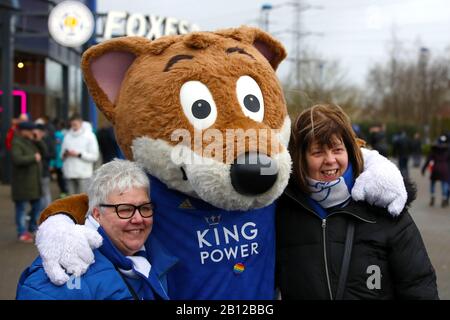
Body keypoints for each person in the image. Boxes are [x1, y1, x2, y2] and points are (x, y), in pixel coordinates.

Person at [276, 104, 438, 300]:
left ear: (350, 152)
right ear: (300, 158)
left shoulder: (384, 206)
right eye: (317, 152)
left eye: (337, 149)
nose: (330, 160)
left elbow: (418, 285)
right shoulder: (283, 209)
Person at [16, 159, 176, 300]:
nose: (138, 219)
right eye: (125, 209)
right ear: (97, 214)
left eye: (145, 208)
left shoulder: (153, 252)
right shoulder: (64, 264)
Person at [10, 121, 45, 243]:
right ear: (23, 131)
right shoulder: (16, 142)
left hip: (33, 183)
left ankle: (31, 227)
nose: (32, 133)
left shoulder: (30, 141)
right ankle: (21, 232)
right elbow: (17, 159)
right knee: (21, 209)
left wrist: (37, 139)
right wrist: (33, 158)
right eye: (30, 131)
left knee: (38, 205)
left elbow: (44, 152)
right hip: (22, 183)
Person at [61, 114, 99, 195]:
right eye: (72, 124)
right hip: (69, 173)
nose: (73, 126)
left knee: (82, 200)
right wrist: (65, 154)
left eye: (75, 124)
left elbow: (95, 156)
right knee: (71, 200)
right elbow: (61, 155)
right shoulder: (67, 136)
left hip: (83, 175)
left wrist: (79, 154)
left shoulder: (90, 136)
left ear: (81, 123)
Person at [421, 135, 449, 207]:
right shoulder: (448, 150)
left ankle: (432, 197)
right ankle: (444, 198)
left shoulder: (434, 149)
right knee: (444, 184)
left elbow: (428, 160)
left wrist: (423, 169)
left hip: (436, 168)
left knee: (433, 183)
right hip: (445, 169)